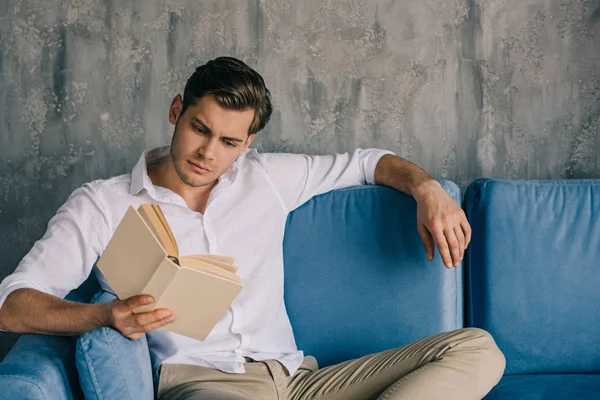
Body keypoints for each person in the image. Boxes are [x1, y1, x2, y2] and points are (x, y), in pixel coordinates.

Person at [0, 56, 504, 399]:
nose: (207, 153)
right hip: (204, 385)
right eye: (199, 128)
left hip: (300, 381)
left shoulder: (265, 178)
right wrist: (106, 315)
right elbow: (11, 304)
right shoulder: (103, 204)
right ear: (177, 110)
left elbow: (368, 162)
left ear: (247, 142)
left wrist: (427, 188)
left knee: (476, 349)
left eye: (228, 141)